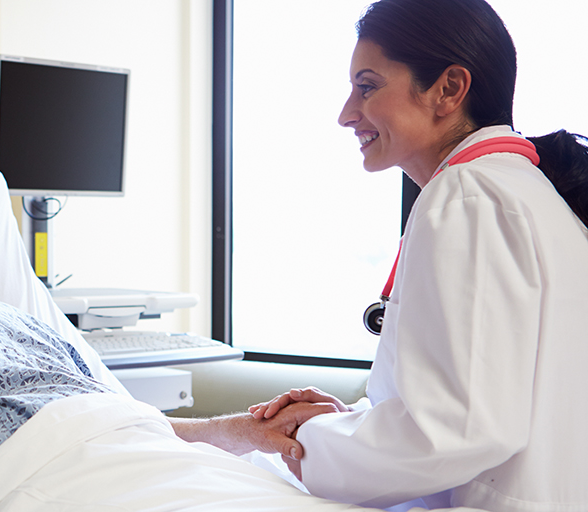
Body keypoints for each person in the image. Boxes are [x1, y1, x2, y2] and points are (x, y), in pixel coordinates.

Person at [0, 119, 336, 512]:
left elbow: (119, 420)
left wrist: (246, 431)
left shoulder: (18, 321)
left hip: (152, 462)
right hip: (44, 484)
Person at [249, 0, 588, 510]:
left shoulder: (467, 197)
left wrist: (308, 442)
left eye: (367, 87)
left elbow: (457, 430)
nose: (346, 114)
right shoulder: (517, 191)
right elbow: (476, 400)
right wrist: (349, 423)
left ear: (448, 89)